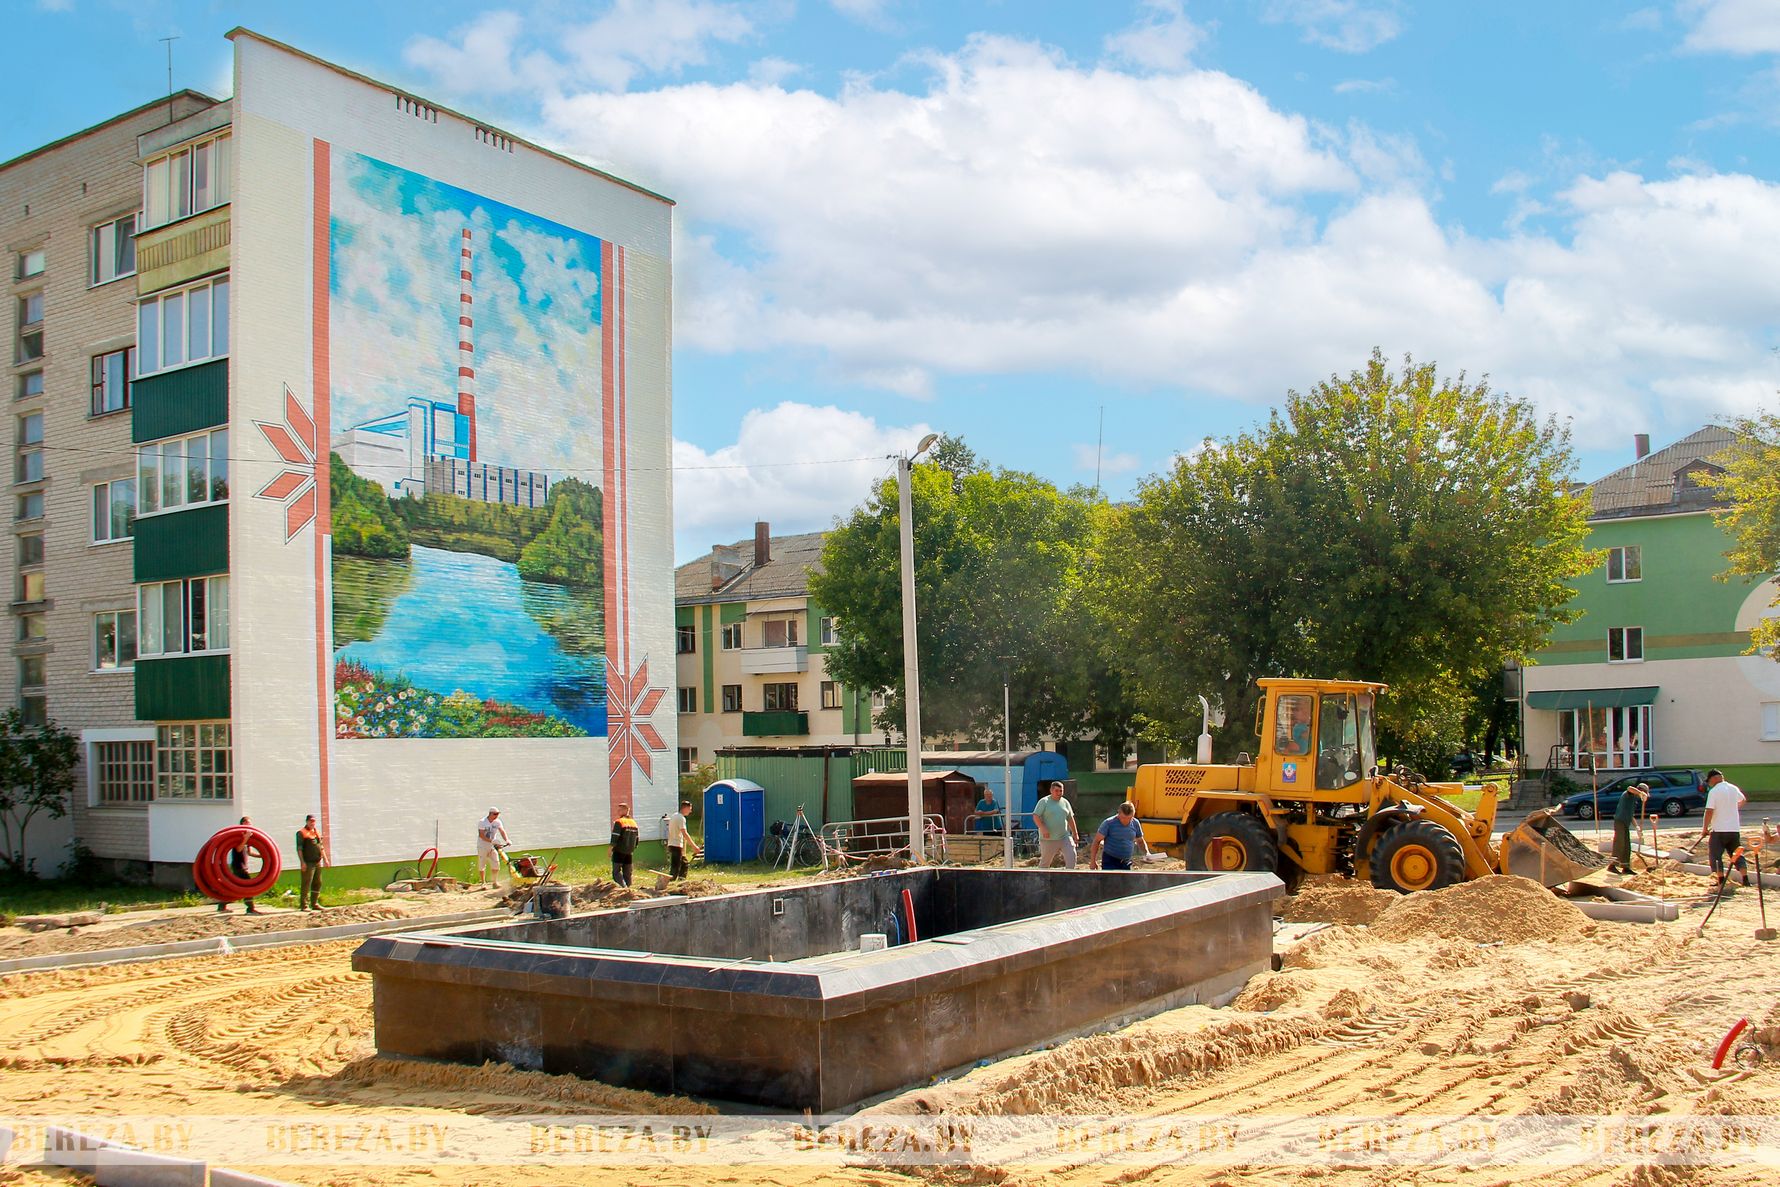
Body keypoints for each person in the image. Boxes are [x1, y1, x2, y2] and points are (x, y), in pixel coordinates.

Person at [1701, 769, 1750, 889]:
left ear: (1713, 779)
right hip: (1734, 828)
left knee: (1716, 855)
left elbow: (1709, 811)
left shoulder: (1714, 791)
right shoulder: (1733, 788)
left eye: (1709, 782)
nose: (1710, 784)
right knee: (1737, 854)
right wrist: (1731, 808)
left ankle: (1721, 880)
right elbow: (1743, 800)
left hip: (1719, 830)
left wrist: (1705, 828)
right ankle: (1745, 879)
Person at [1088, 802, 1151, 871]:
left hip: (1126, 862)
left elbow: (1140, 841)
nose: (1126, 821)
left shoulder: (1135, 823)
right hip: (1110, 861)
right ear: (1118, 813)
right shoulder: (1109, 823)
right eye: (1123, 818)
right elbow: (1096, 841)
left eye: (1129, 818)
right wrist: (1093, 861)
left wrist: (1146, 852)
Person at [218, 815, 261, 914]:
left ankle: (222, 904)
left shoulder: (248, 838)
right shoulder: (238, 836)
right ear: (242, 824)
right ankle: (250, 908)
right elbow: (238, 849)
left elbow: (249, 852)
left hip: (243, 867)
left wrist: (262, 856)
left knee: (236, 888)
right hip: (238, 866)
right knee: (248, 887)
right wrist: (245, 839)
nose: (250, 825)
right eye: (247, 823)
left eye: (250, 823)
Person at [1032, 780, 1079, 869]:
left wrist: (1075, 833)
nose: (1059, 793)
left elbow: (1070, 818)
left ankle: (1070, 877)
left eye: (1061, 791)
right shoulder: (1044, 802)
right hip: (1049, 838)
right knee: (1045, 862)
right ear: (1051, 790)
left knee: (1072, 856)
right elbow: (1035, 816)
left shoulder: (1065, 802)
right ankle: (1042, 879)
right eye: (1056, 791)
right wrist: (1042, 828)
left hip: (1064, 837)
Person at [1610, 782, 1649, 875]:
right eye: (1644, 793)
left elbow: (1631, 816)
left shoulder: (1634, 800)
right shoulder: (1629, 794)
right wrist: (1640, 793)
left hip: (1625, 823)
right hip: (1620, 821)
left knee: (1627, 845)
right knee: (1619, 843)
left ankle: (1625, 867)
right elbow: (1629, 787)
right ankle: (1612, 865)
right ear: (1641, 790)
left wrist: (1637, 827)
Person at [295, 814, 327, 911]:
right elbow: (299, 849)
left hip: (317, 861)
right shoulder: (301, 833)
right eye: (310, 821)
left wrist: (325, 859)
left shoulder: (316, 832)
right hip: (308, 862)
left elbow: (321, 847)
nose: (312, 823)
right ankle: (304, 905)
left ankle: (314, 903)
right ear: (307, 821)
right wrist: (302, 862)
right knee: (306, 883)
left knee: (317, 882)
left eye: (314, 821)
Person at [665, 801, 701, 879]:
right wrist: (694, 847)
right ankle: (674, 881)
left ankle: (680, 880)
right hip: (676, 844)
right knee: (677, 866)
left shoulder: (674, 816)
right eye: (690, 809)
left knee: (682, 864)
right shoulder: (681, 818)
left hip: (671, 843)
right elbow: (685, 833)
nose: (690, 811)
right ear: (685, 808)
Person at [476, 808, 510, 887]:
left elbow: (502, 831)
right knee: (482, 863)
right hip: (483, 845)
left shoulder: (497, 822)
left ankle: (494, 882)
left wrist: (507, 840)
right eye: (495, 814)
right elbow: (481, 835)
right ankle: (483, 882)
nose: (496, 816)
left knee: (496, 863)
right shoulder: (482, 822)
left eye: (498, 814)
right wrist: (491, 841)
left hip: (492, 846)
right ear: (490, 814)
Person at [610, 804, 640, 888]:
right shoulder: (633, 823)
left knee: (616, 872)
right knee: (627, 872)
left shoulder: (619, 822)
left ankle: (624, 888)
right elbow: (637, 838)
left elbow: (615, 837)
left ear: (625, 810)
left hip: (619, 851)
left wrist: (610, 849)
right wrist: (633, 847)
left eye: (619, 810)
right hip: (629, 851)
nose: (618, 812)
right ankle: (629, 889)